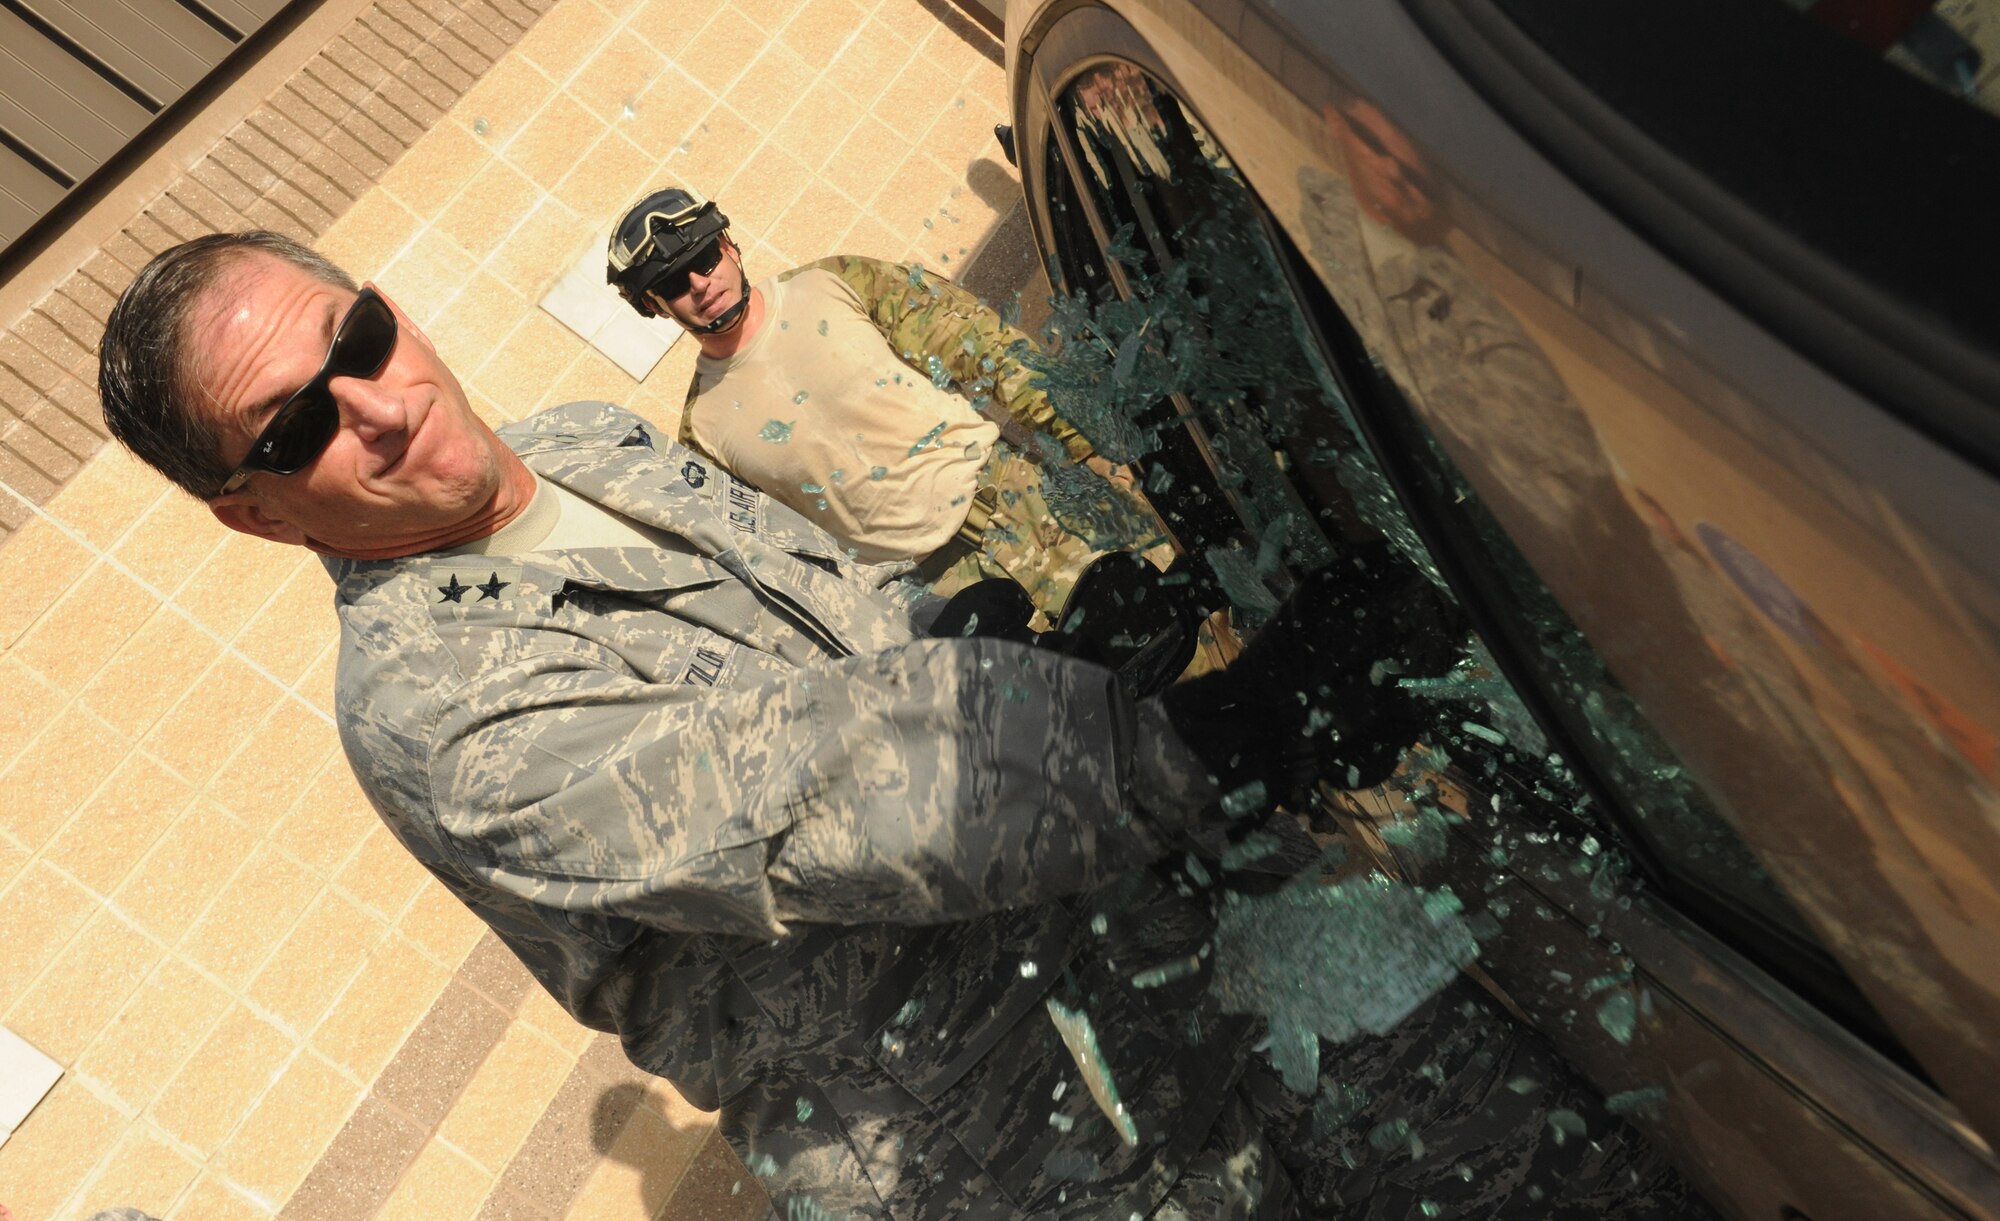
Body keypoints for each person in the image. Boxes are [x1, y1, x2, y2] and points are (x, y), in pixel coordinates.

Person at [96, 230, 1701, 1219]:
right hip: (1045, 1149)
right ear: (254, 516)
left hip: (1197, 936)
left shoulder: (589, 440)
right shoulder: (438, 716)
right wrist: (1223, 731)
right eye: (300, 423)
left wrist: (1043, 652)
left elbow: (851, 650)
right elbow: (830, 787)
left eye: (358, 339)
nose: (374, 405)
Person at [604, 187, 1194, 651]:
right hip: (942, 596)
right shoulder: (701, 434)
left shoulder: (836, 283)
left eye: (704, 259)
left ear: (729, 245)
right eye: (673, 285)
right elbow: (777, 561)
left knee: (1189, 624)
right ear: (654, 307)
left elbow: (984, 350)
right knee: (1110, 729)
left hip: (1027, 502)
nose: (700, 284)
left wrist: (1100, 444)